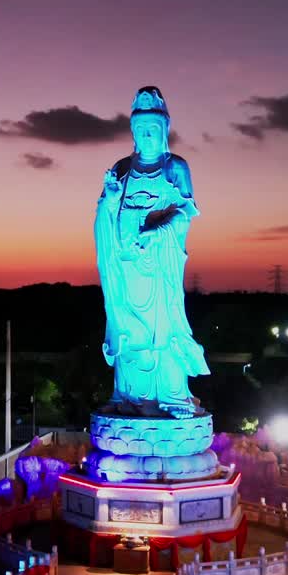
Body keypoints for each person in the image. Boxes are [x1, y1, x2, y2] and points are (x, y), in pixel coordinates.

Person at [94, 86, 209, 417]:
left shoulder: (176, 168)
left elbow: (185, 212)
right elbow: (105, 216)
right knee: (128, 332)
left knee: (165, 331)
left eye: (152, 129)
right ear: (132, 131)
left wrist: (157, 233)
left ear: (164, 130)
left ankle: (172, 396)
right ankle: (127, 395)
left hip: (159, 267)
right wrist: (113, 198)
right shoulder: (120, 169)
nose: (146, 135)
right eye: (140, 129)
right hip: (128, 266)